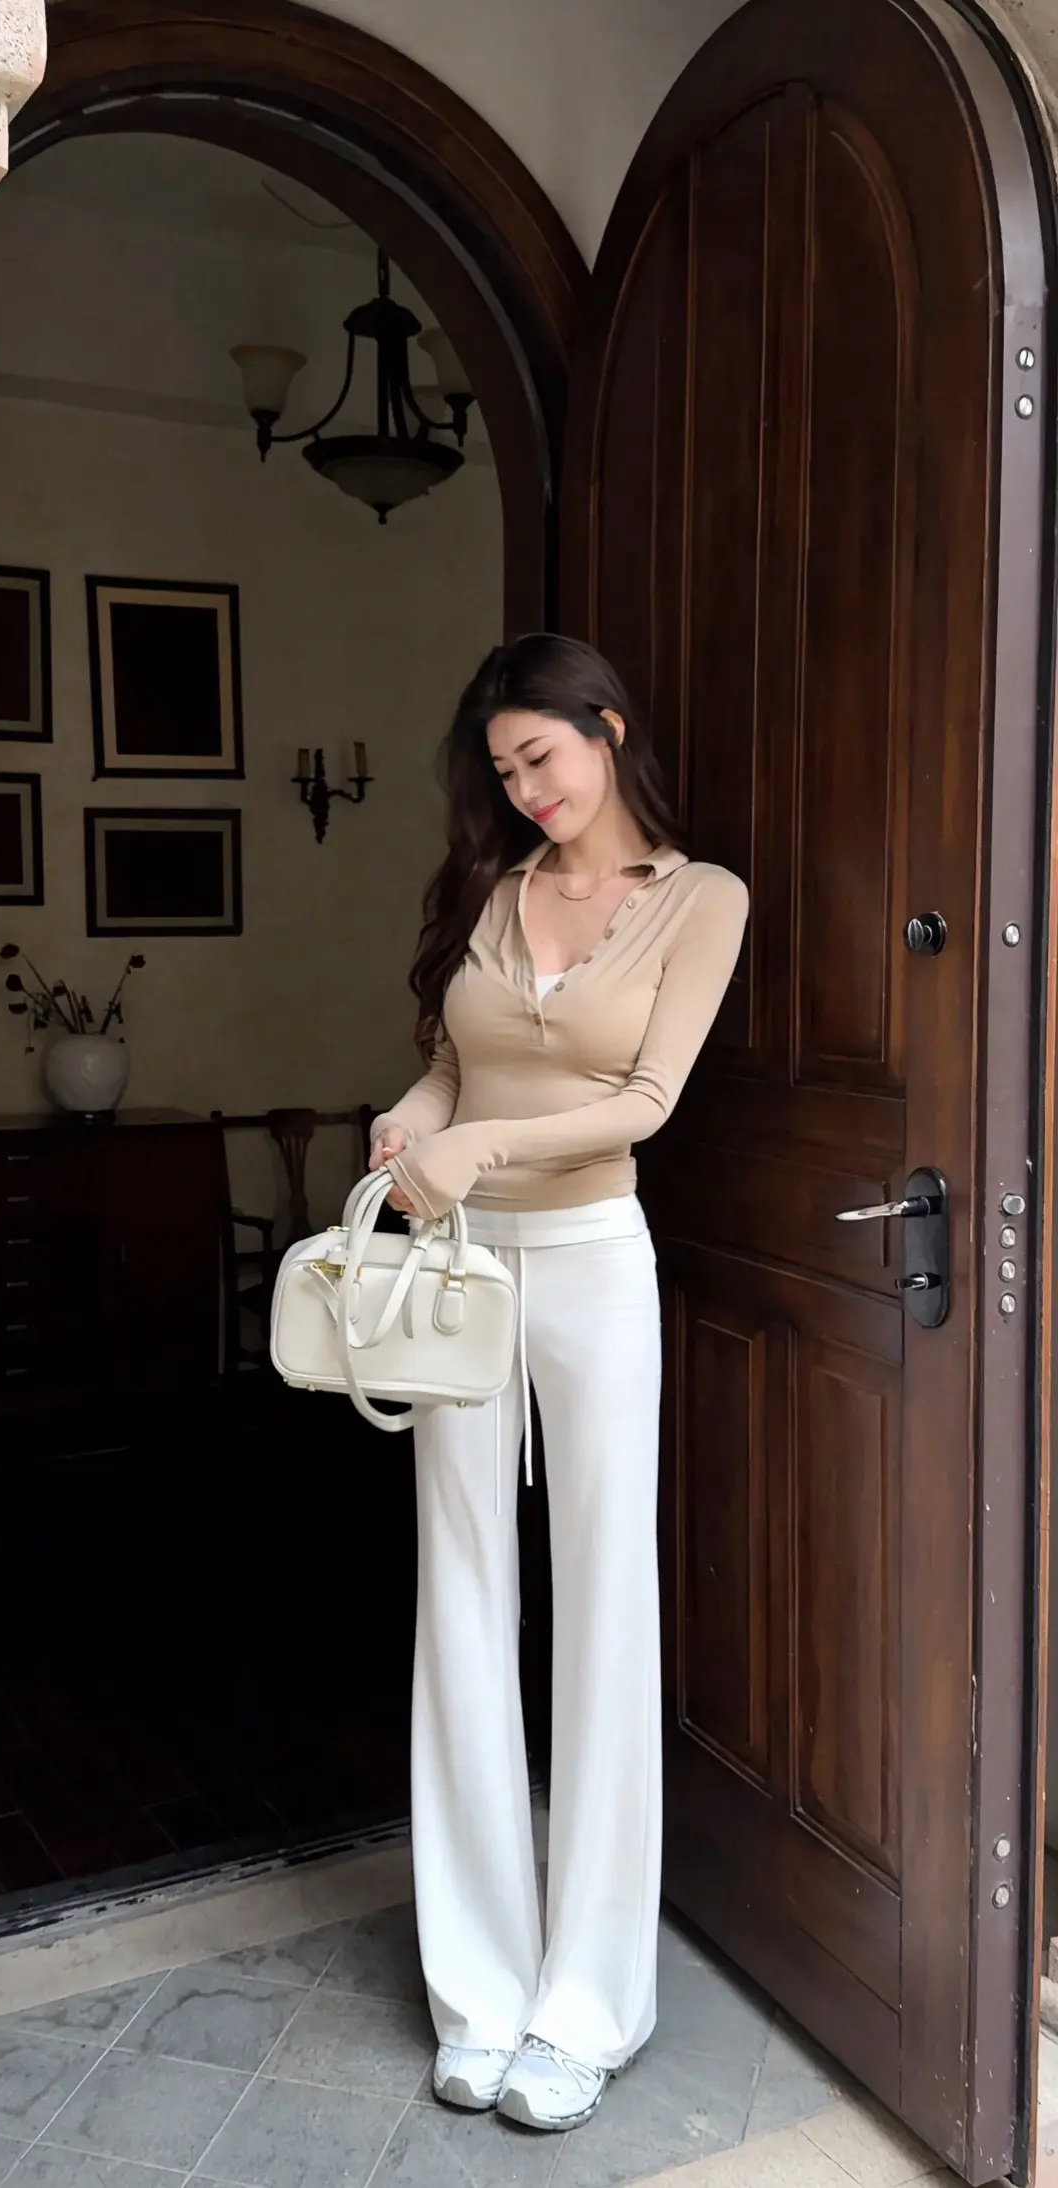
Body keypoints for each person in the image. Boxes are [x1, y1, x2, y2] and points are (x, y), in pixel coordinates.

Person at [368, 633, 748, 2133]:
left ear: (608, 729)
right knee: (459, 1589)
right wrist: (415, 1119)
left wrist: (482, 1147)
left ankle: (586, 2009)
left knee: (602, 1602)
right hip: (457, 1267)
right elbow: (455, 1067)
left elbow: (644, 1101)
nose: (524, 790)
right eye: (503, 770)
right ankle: (478, 1991)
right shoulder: (492, 886)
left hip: (591, 1262)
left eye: (541, 757)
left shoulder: (699, 900)